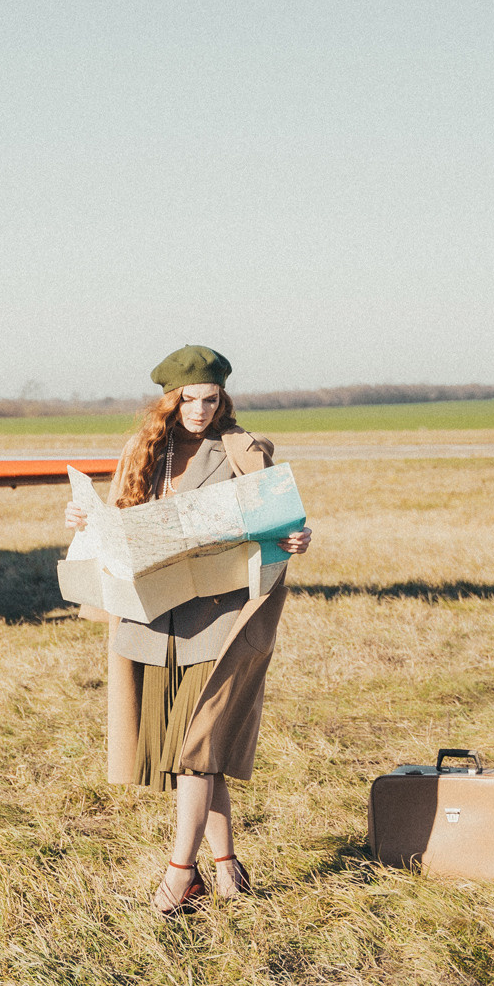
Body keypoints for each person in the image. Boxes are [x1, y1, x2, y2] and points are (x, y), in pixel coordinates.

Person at [63, 345, 312, 917]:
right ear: (168, 401)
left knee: (195, 751)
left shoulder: (246, 450)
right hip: (154, 618)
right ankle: (228, 872)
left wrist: (297, 539)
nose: (200, 411)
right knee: (195, 751)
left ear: (223, 398)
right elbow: (118, 524)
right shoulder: (143, 450)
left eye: (211, 399)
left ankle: (180, 875)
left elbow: (283, 523)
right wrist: (85, 518)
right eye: (189, 400)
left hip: (220, 618)